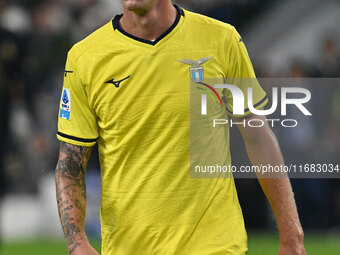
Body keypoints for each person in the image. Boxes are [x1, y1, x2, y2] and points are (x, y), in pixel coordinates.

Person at [55, 1, 306, 254]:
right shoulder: (85, 57)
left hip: (216, 245)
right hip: (129, 248)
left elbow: (258, 139)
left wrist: (291, 234)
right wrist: (76, 244)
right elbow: (70, 165)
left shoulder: (221, 39)